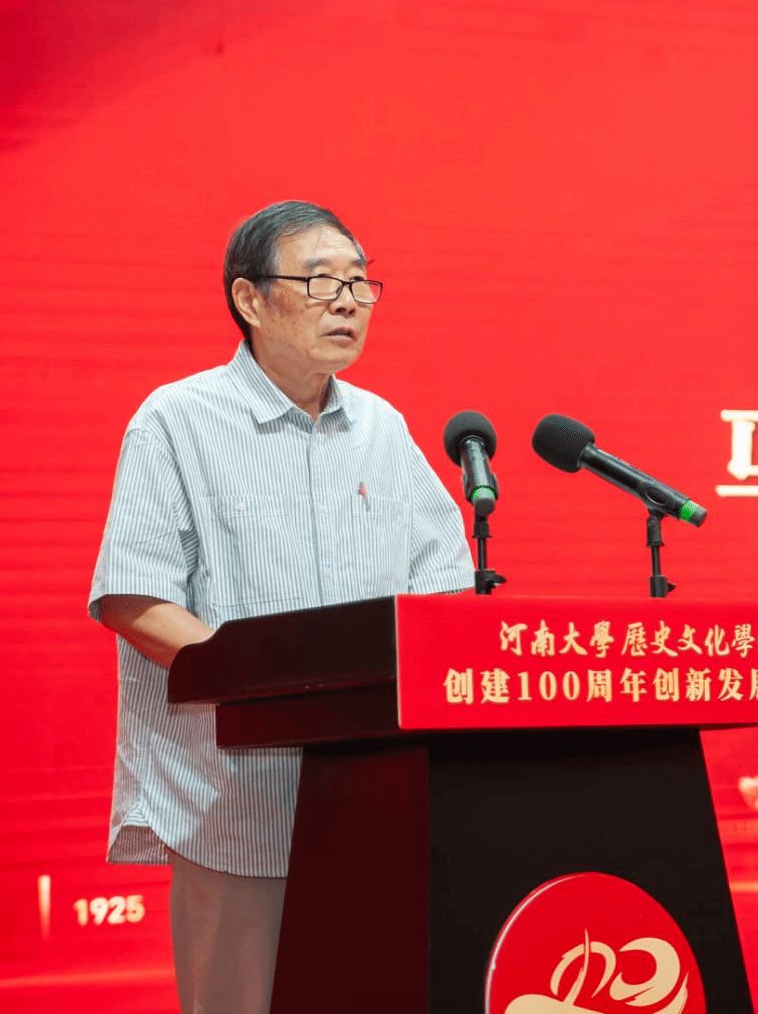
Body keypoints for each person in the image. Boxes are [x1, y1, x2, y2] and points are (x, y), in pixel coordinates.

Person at [88, 201, 473, 1014]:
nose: (347, 302)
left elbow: (445, 586)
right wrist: (269, 688)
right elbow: (135, 596)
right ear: (250, 299)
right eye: (322, 281)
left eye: (360, 283)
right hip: (236, 800)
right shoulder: (176, 421)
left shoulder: (382, 429)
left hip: (376, 795)